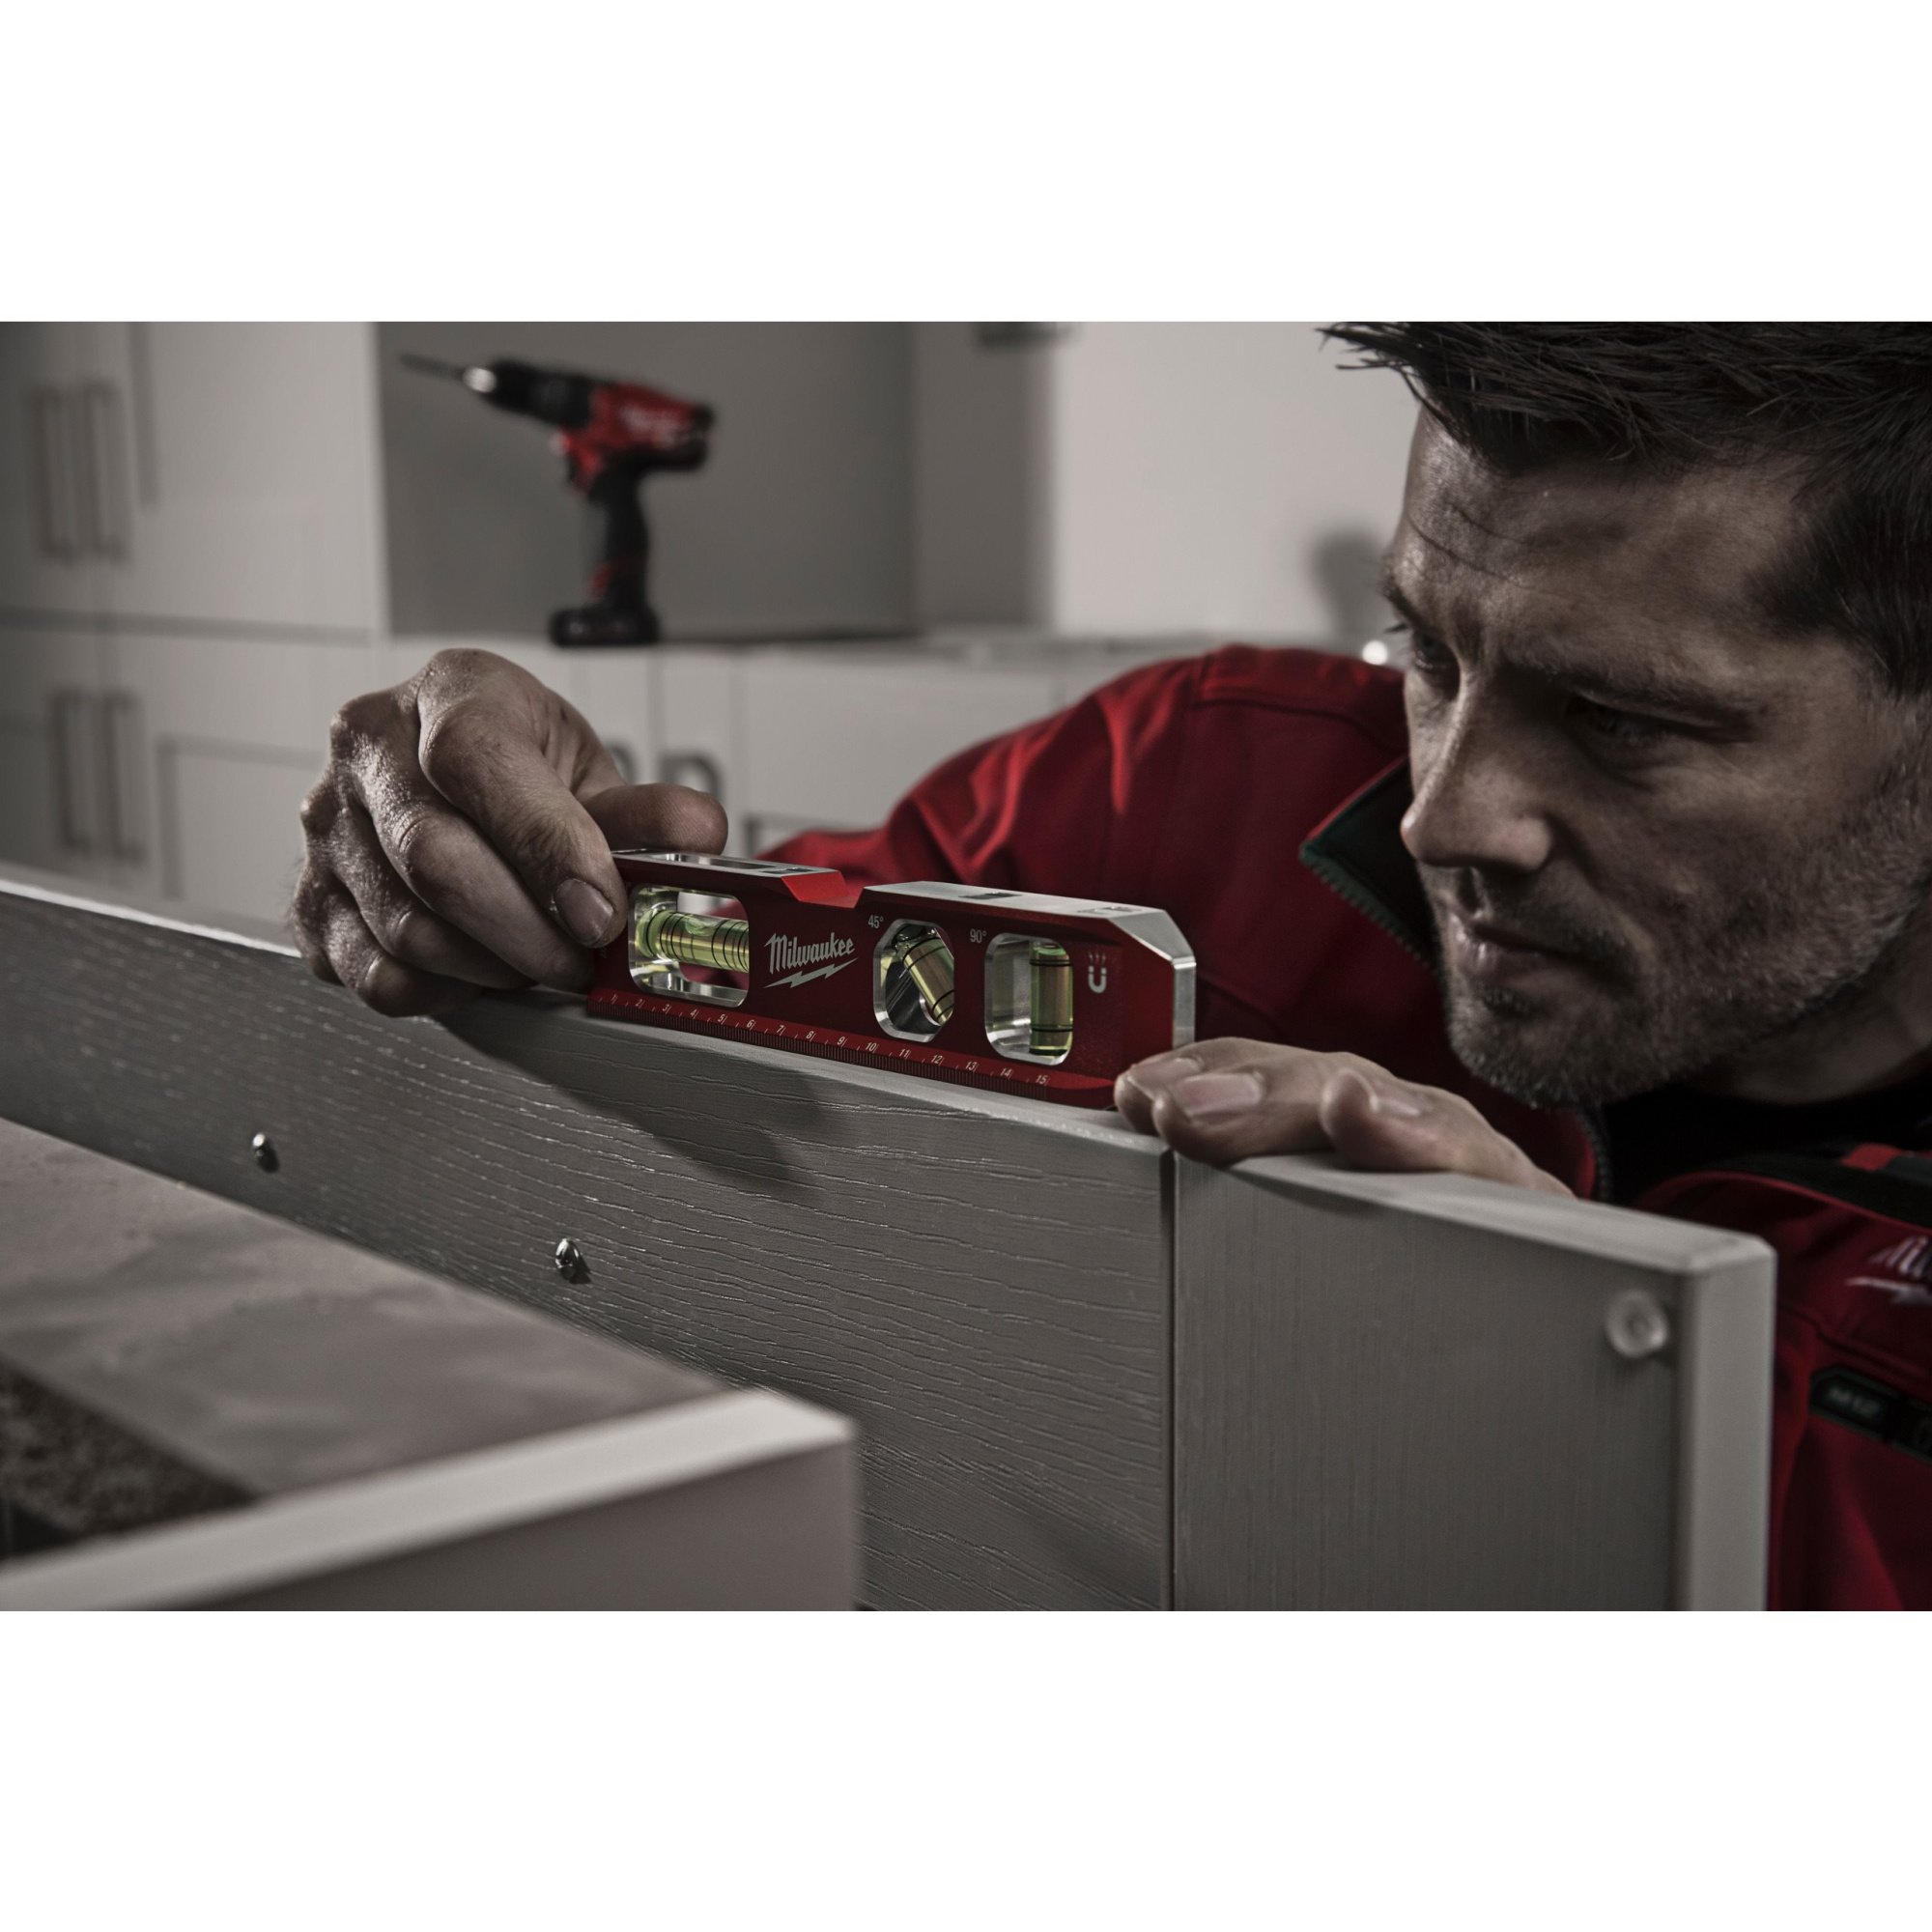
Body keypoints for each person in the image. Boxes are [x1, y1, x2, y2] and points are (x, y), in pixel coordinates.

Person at [293, 324, 1932, 1609]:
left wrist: (1560, 1413)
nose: (1441, 814)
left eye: (1623, 722)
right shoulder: (1195, 777)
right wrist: (502, 865)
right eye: (1426, 652)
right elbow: (744, 958)